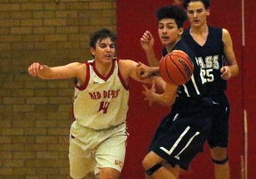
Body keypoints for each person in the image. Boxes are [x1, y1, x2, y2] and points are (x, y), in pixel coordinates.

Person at [28, 28, 162, 179]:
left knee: (108, 176)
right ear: (93, 50)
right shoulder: (82, 70)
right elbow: (51, 72)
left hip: (113, 132)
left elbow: (150, 75)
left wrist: (165, 65)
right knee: (76, 177)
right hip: (83, 133)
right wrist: (39, 69)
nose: (108, 50)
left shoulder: (125, 67)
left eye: (111, 46)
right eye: (103, 46)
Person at [138, 5, 218, 179]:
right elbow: (164, 77)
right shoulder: (170, 53)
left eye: (170, 27)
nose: (164, 31)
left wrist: (153, 96)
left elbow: (167, 99)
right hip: (181, 114)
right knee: (160, 169)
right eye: (161, 27)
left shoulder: (179, 55)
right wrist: (149, 52)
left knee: (150, 163)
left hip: (195, 117)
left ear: (180, 30)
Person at [182, 0, 239, 179]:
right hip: (191, 104)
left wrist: (229, 71)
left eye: (199, 11)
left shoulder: (221, 35)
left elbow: (235, 66)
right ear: (186, 14)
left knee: (219, 154)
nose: (195, 15)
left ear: (208, 11)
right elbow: (167, 69)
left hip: (217, 101)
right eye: (191, 12)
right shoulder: (180, 40)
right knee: (177, 154)